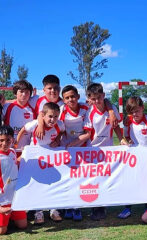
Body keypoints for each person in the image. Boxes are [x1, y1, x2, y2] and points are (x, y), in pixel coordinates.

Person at [71, 83, 127, 220]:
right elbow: (88, 133)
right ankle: (95, 207)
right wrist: (71, 145)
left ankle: (103, 206)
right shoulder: (90, 112)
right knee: (94, 179)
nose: (97, 101)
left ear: (103, 96)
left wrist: (122, 139)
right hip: (93, 150)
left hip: (108, 150)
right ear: (89, 99)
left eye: (99, 98)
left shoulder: (111, 108)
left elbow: (116, 127)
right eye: (94, 99)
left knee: (105, 178)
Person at [17, 102, 65, 224]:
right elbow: (23, 130)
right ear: (43, 115)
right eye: (50, 116)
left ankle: (54, 210)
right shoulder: (35, 124)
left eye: (55, 116)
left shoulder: (59, 124)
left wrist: (58, 140)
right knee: (37, 185)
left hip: (50, 159)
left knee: (53, 183)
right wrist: (17, 143)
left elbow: (62, 132)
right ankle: (38, 212)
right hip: (35, 159)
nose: (53, 119)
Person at [118, 96, 147, 219]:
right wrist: (126, 141)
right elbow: (126, 137)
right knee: (131, 181)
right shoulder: (128, 121)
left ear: (142, 108)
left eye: (137, 110)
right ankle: (127, 208)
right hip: (134, 157)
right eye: (132, 111)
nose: (135, 114)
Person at [0, 126, 27, 235]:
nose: (5, 143)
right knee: (0, 232)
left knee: (23, 226)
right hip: (2, 201)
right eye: (1, 140)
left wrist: (27, 153)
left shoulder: (12, 151)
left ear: (12, 139)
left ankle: (10, 217)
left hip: (15, 199)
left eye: (8, 140)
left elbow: (14, 164)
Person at [59, 85, 89, 221]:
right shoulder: (61, 110)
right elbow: (57, 129)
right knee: (67, 178)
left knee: (80, 179)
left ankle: (77, 208)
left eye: (73, 96)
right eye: (67, 98)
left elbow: (88, 133)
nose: (71, 99)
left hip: (82, 148)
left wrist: (74, 144)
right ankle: (67, 206)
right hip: (66, 149)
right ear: (63, 100)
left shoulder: (85, 109)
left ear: (78, 96)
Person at [3, 80, 35, 154]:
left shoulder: (33, 110)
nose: (24, 94)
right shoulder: (7, 107)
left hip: (26, 150)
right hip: (9, 149)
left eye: (27, 92)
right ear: (15, 93)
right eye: (21, 91)